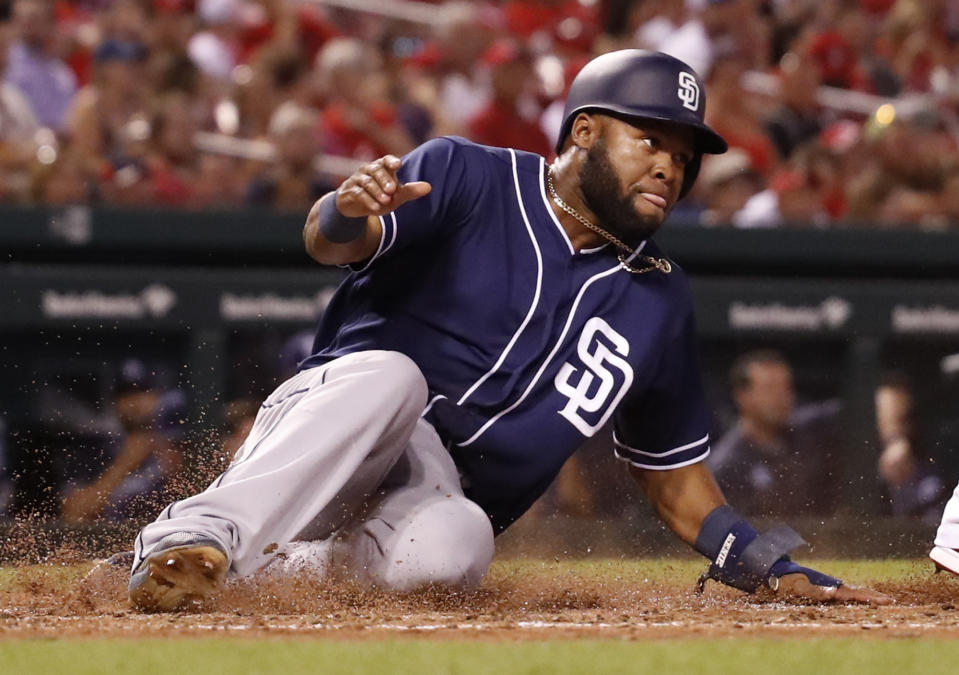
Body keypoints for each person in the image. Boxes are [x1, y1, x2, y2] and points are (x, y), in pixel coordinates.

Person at [127, 50, 889, 611]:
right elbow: (334, 243)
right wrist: (344, 209)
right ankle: (185, 535)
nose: (669, 166)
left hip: (431, 496)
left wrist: (752, 557)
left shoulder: (658, 295)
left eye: (683, 156)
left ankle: (247, 577)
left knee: (458, 547)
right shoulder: (468, 174)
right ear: (584, 132)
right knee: (396, 377)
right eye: (650, 141)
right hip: (346, 426)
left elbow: (672, 474)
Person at [707, 349, 843, 516]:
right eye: (770, 388)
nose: (781, 396)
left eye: (786, 387)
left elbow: (850, 410)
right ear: (742, 395)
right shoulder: (726, 465)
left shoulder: (806, 431)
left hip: (821, 538)